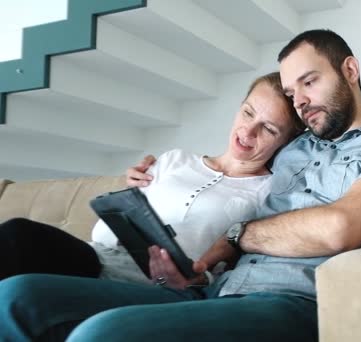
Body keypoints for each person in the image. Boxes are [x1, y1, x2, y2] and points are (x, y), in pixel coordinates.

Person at [0, 29, 361, 342]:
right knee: (16, 297)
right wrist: (157, 184)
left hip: (294, 302)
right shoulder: (295, 150)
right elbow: (235, 171)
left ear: (350, 69)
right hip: (213, 292)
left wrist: (239, 235)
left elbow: (338, 229)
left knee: (103, 333)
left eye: (310, 81)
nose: (301, 99)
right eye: (292, 92)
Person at [0, 71, 304, 284]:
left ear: (285, 142)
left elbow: (239, 264)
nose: (248, 132)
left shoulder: (269, 193)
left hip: (152, 281)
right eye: (249, 113)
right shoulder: (175, 159)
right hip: (96, 254)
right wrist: (126, 190)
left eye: (269, 129)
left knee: (18, 236)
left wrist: (202, 279)